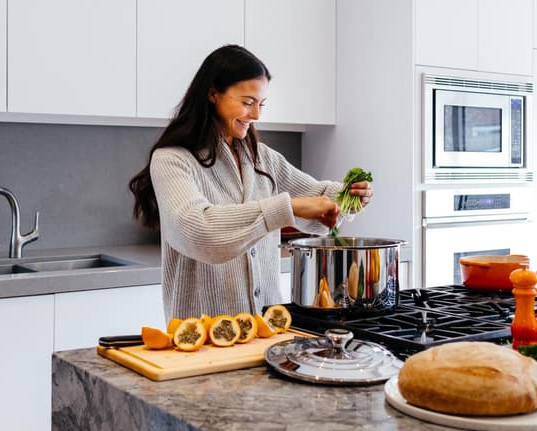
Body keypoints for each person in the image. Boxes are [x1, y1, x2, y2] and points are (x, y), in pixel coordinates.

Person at [129, 45, 373, 321]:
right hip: (202, 334)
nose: (256, 115)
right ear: (212, 94)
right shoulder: (172, 160)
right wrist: (287, 208)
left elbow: (317, 199)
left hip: (268, 329)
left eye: (261, 104)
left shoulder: (262, 158)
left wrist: (349, 196)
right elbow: (199, 232)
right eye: (247, 102)